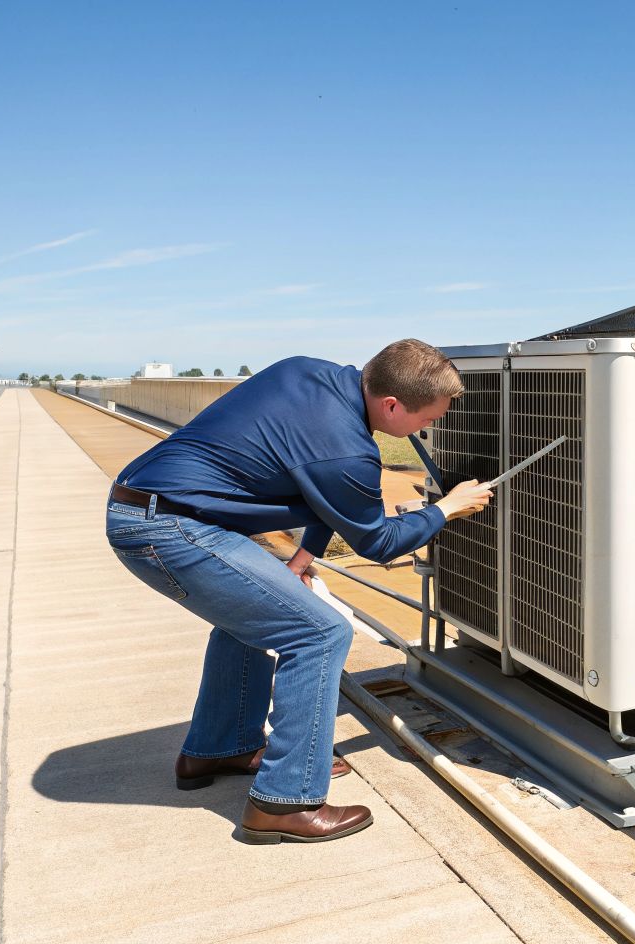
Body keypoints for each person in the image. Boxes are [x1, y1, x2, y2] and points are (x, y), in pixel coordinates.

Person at [106, 339, 492, 844]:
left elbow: (319, 487)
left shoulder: (307, 373)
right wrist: (445, 509)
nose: (430, 428)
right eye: (428, 419)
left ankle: (218, 748)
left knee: (255, 620)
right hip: (170, 529)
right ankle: (285, 801)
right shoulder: (348, 450)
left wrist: (301, 560)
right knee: (320, 632)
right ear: (392, 405)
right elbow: (377, 541)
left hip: (152, 506)